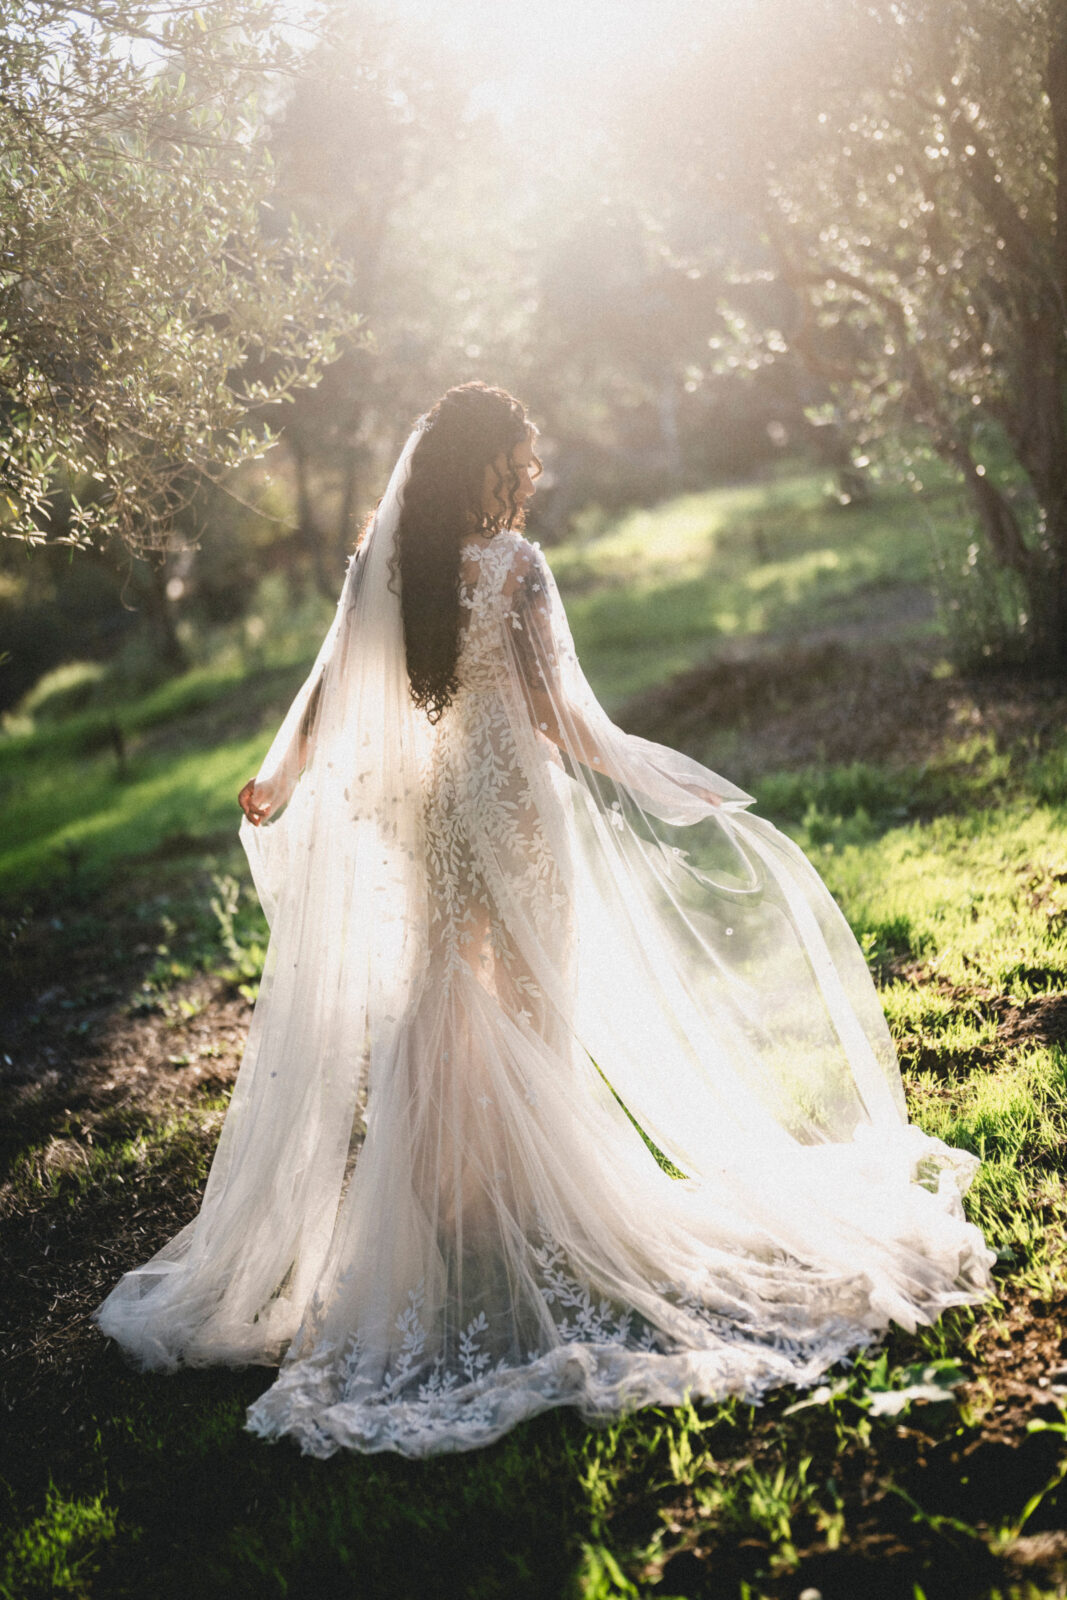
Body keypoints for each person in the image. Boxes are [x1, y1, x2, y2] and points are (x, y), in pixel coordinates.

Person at [94, 382, 993, 1458]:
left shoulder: (384, 563)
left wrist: (275, 774)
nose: (529, 478)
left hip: (429, 820)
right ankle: (532, 1226)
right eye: (518, 460)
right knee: (528, 1004)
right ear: (480, 466)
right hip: (513, 812)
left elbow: (334, 679)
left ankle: (452, 1230)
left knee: (438, 1006)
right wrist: (659, 777)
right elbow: (558, 715)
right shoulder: (512, 567)